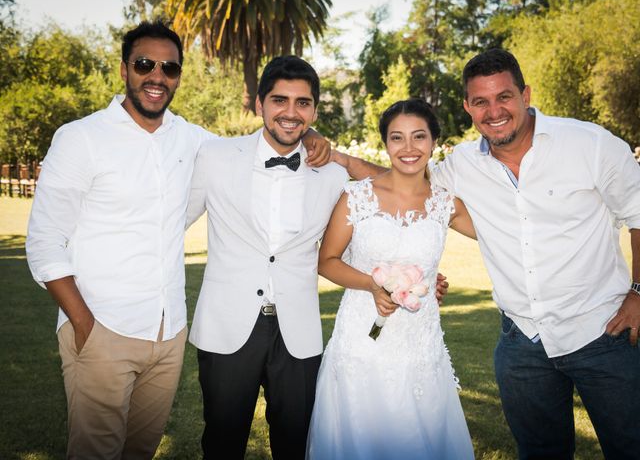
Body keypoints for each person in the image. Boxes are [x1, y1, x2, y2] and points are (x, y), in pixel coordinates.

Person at [25, 22, 330, 459]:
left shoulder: (194, 140)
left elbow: (262, 144)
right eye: (145, 64)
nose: (157, 76)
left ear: (178, 76)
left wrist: (308, 135)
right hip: (102, 325)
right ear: (124, 69)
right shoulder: (81, 139)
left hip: (168, 334)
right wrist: (85, 325)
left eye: (169, 68)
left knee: (140, 450)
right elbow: (44, 244)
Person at [332, 48, 640, 459]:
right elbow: (402, 185)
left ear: (525, 94)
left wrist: (639, 291)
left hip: (602, 331)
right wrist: (336, 156)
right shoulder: (461, 165)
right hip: (521, 344)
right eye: (481, 101)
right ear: (468, 108)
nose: (494, 111)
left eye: (504, 97)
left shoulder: (590, 144)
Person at [186, 55, 349, 459]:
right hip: (226, 328)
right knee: (222, 444)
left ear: (314, 109)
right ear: (259, 104)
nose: (291, 113)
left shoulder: (332, 174)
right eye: (280, 100)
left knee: (296, 445)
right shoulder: (215, 157)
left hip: (299, 333)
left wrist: (408, 271)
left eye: (303, 103)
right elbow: (169, 221)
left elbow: (398, 186)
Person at [306, 99, 476, 459]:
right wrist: (370, 283)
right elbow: (327, 261)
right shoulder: (356, 197)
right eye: (397, 138)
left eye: (419, 137)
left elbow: (502, 233)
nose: (409, 148)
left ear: (433, 142)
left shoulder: (447, 204)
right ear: (385, 143)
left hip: (420, 346)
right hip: (360, 342)